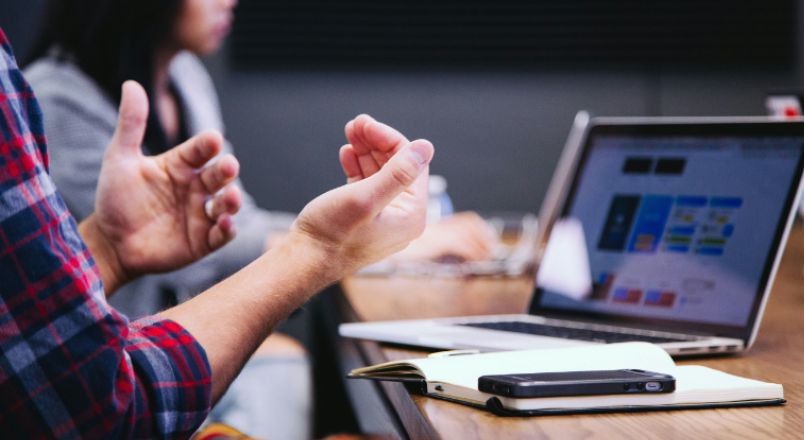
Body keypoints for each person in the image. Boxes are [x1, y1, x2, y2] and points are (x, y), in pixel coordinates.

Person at [1, 25, 434, 438]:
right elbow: (99, 409)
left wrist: (108, 250)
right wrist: (322, 248)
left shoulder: (185, 75)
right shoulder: (57, 97)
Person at [25, 0, 497, 320]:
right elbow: (197, 255)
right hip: (118, 363)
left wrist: (360, 238)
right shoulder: (54, 100)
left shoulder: (185, 77)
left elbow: (233, 221)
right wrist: (373, 245)